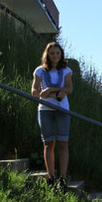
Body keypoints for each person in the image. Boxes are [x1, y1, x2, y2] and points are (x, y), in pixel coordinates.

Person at [31, 41, 73, 190]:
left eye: (57, 53)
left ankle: (62, 177)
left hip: (62, 109)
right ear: (47, 55)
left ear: (61, 54)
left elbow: (69, 88)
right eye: (52, 53)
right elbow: (34, 91)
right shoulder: (40, 71)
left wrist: (51, 89)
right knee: (48, 143)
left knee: (63, 143)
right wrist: (45, 92)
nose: (55, 56)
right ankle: (50, 176)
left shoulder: (66, 70)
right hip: (45, 109)